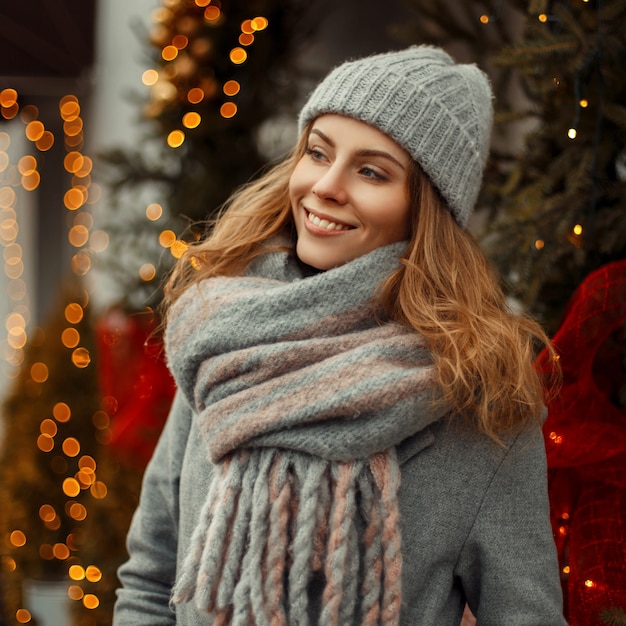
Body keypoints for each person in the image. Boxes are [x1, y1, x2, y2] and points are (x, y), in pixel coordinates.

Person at [113, 46, 567, 625]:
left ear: (422, 209)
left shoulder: (476, 399)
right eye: (318, 153)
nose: (325, 186)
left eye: (371, 171)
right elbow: (153, 580)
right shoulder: (228, 346)